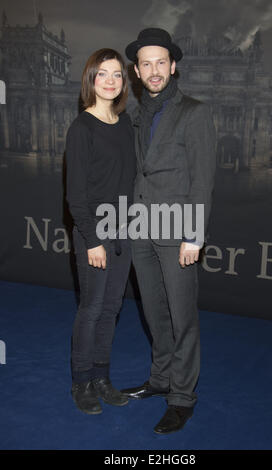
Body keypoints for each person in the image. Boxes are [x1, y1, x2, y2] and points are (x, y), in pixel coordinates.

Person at [121, 28, 216, 434]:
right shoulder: (135, 113)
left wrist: (193, 236)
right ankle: (160, 380)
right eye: (146, 63)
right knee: (154, 313)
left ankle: (182, 397)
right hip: (141, 228)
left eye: (162, 62)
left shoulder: (194, 112)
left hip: (178, 231)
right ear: (137, 71)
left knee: (182, 319)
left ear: (173, 66)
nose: (154, 70)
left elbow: (202, 180)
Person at [65, 49, 136, 414]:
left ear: (124, 82)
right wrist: (92, 240)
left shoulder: (124, 123)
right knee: (91, 309)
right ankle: (81, 382)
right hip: (94, 234)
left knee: (111, 308)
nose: (110, 81)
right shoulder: (82, 128)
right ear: (90, 79)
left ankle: (101, 376)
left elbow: (127, 181)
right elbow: (75, 195)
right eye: (102, 73)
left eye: (117, 74)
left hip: (124, 232)